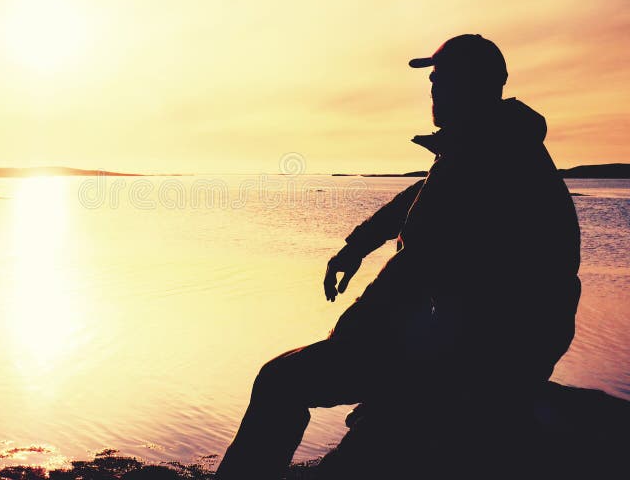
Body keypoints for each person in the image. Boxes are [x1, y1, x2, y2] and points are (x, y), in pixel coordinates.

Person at [215, 34, 581, 480]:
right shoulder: (495, 144)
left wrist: (347, 340)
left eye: (442, 78)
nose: (432, 88)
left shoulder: (483, 158)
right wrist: (357, 245)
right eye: (433, 79)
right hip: (502, 338)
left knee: (279, 382)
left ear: (474, 84)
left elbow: (415, 267)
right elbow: (418, 199)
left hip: (484, 349)